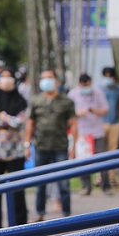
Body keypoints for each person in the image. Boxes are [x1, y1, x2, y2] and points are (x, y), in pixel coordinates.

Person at [26, 69, 78, 221]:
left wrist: (74, 145)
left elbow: (74, 124)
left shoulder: (66, 101)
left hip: (60, 146)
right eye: (43, 78)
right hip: (41, 146)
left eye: (49, 78)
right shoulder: (36, 100)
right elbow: (30, 123)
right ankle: (40, 212)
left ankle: (66, 213)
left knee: (64, 182)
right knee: (40, 183)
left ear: (57, 81)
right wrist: (26, 144)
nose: (46, 81)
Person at [0, 67, 28, 228]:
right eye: (3, 77)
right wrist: (9, 119)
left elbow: (19, 122)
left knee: (17, 190)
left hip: (15, 152)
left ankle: (20, 224)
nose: (6, 80)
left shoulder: (21, 101)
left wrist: (1, 116)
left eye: (9, 77)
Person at [70, 73, 111, 195]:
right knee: (83, 161)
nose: (85, 87)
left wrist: (93, 110)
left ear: (90, 82)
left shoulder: (98, 92)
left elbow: (105, 109)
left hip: (97, 131)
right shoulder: (73, 94)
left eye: (87, 85)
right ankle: (86, 187)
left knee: (102, 159)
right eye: (83, 85)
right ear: (79, 84)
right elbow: (69, 114)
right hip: (82, 133)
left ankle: (105, 186)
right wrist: (79, 113)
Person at [100, 67, 119, 187]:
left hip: (115, 123)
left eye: (110, 76)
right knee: (100, 151)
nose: (108, 78)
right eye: (105, 76)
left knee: (113, 151)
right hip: (101, 123)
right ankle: (100, 178)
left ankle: (111, 177)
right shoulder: (99, 89)